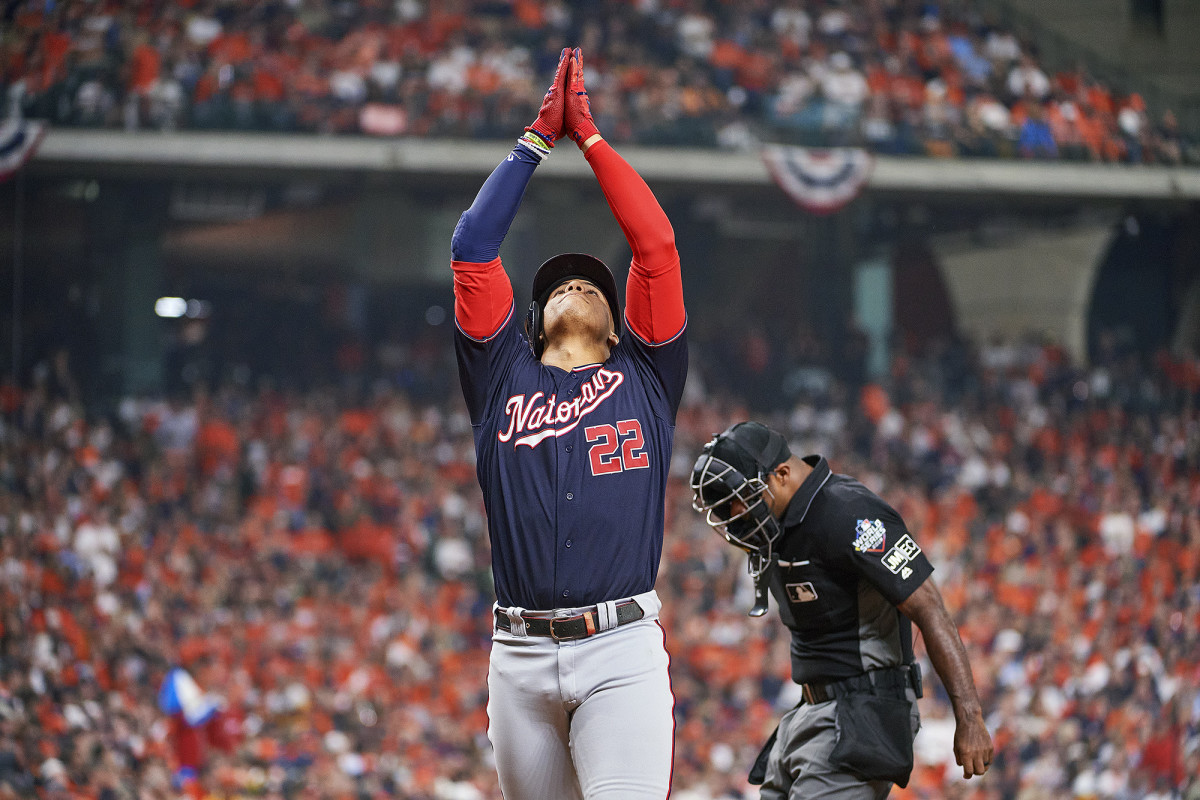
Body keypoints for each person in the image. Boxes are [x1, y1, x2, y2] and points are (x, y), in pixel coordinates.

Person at [449, 47, 687, 800]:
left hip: (618, 650)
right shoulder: (501, 377)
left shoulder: (643, 377)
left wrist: (589, 140)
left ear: (620, 327)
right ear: (533, 321)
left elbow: (655, 246)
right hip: (516, 657)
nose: (577, 284)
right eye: (560, 285)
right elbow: (472, 249)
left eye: (592, 284)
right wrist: (533, 143)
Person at [690, 421, 993, 799]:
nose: (733, 513)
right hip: (809, 715)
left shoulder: (850, 514)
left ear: (782, 474)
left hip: (858, 717)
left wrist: (969, 718)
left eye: (739, 497)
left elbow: (930, 609)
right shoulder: (778, 524)